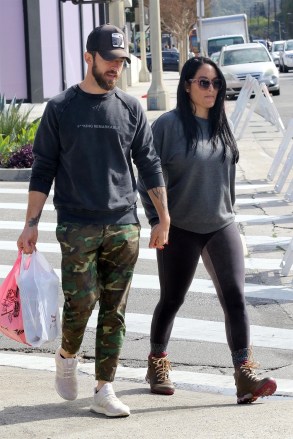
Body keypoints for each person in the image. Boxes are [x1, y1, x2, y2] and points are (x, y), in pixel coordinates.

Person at [17, 24, 170, 418]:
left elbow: (149, 164)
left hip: (123, 223)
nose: (115, 68)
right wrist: (30, 223)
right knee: (80, 304)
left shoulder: (131, 108)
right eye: (109, 60)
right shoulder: (61, 108)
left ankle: (104, 387)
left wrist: (162, 217)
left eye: (121, 61)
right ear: (89, 58)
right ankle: (67, 355)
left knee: (115, 309)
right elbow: (43, 168)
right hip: (77, 224)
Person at [138, 56, 277, 404]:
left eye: (216, 83)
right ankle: (157, 361)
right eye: (204, 82)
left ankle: (244, 374)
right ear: (187, 86)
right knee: (172, 299)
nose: (211, 89)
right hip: (180, 227)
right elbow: (147, 177)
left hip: (221, 224)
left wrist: (232, 217)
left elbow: (226, 175)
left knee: (236, 298)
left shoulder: (220, 124)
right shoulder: (167, 127)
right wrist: (157, 221)